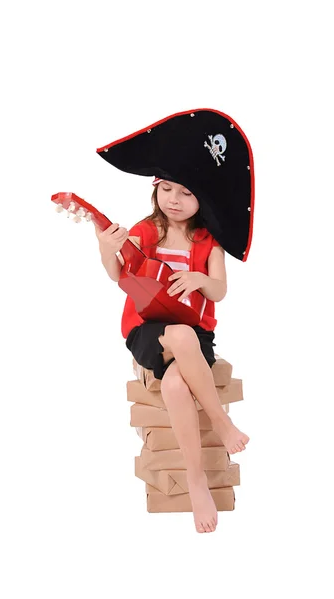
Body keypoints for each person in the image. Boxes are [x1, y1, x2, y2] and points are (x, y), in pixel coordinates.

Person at [94, 177, 250, 534]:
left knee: (177, 386)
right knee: (178, 335)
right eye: (166, 189)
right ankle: (221, 423)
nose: (174, 200)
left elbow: (220, 290)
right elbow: (118, 271)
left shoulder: (209, 241)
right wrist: (106, 249)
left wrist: (199, 279)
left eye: (186, 192)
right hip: (148, 330)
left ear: (203, 197)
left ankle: (196, 484)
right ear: (155, 190)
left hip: (196, 335)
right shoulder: (146, 231)